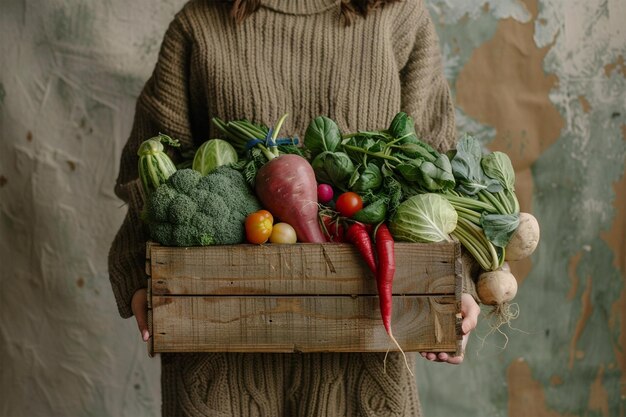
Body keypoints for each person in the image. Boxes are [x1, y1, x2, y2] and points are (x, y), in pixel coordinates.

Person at [108, 0, 481, 415]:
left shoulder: (399, 17)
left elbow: (438, 168)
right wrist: (139, 276)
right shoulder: (200, 23)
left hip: (366, 356)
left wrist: (455, 282)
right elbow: (145, 171)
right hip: (220, 360)